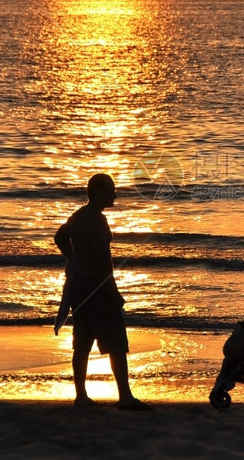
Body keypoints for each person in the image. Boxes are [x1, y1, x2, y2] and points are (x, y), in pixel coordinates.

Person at [53, 173, 151, 411]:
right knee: (116, 342)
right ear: (98, 193)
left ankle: (81, 396)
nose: (115, 194)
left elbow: (59, 237)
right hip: (97, 289)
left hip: (79, 288)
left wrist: (74, 259)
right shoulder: (97, 221)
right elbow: (105, 266)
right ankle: (125, 397)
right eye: (111, 190)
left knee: (83, 343)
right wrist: (114, 293)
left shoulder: (77, 216)